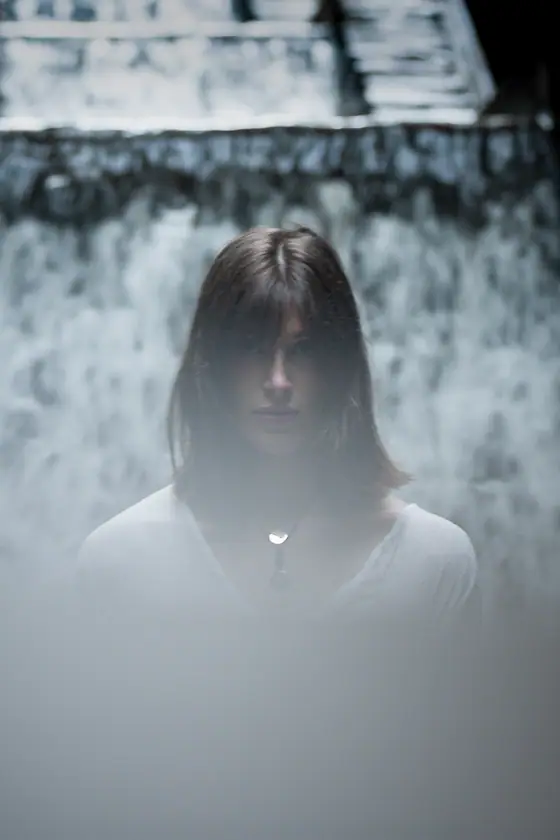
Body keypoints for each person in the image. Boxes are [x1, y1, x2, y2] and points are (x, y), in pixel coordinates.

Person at [77, 226, 477, 621]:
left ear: (339, 367)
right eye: (251, 350)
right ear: (211, 367)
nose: (278, 382)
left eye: (302, 352)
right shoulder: (120, 561)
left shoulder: (433, 560)